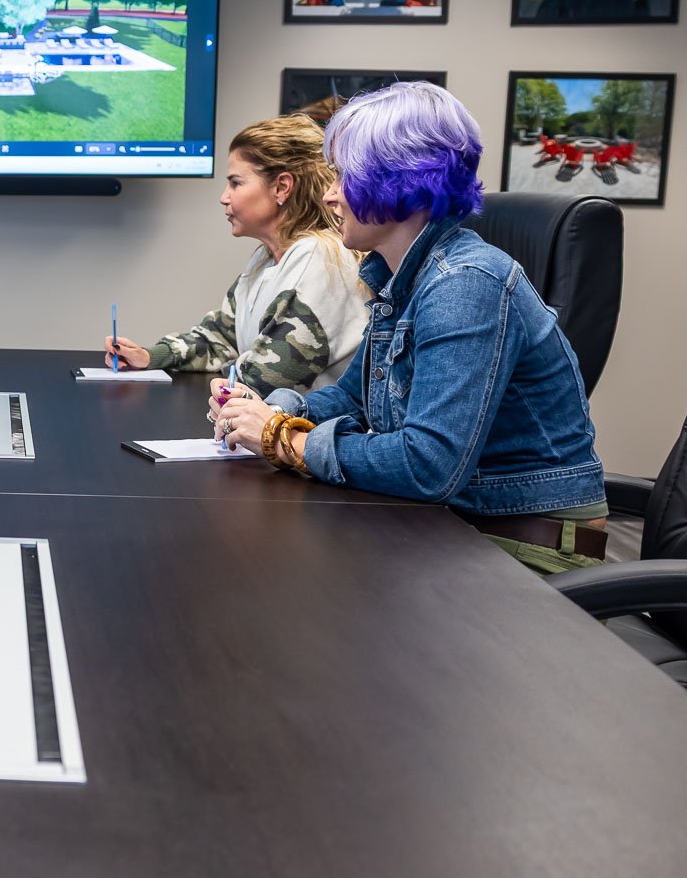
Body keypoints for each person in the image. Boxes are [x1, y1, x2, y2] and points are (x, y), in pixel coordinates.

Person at [212, 82, 606, 573]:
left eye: (343, 177)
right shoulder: (398, 275)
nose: (330, 194)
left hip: (524, 549)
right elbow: (353, 397)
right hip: (456, 526)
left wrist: (283, 439)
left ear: (398, 180)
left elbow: (428, 465)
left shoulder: (465, 285)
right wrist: (271, 409)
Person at [105, 115, 368, 397]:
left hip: (308, 435)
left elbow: (269, 378)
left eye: (236, 183)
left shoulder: (318, 256)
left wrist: (230, 369)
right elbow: (219, 337)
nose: (224, 197)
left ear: (281, 187)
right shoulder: (264, 259)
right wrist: (150, 356)